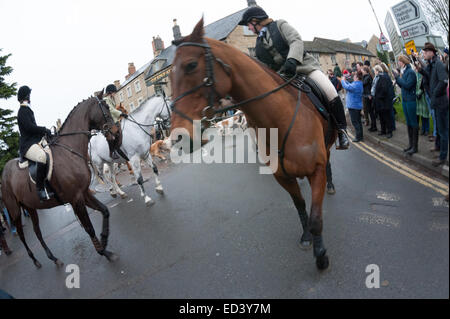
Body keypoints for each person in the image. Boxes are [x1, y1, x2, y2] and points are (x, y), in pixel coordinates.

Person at [238, 6, 349, 150]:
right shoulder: (258, 44)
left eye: (249, 25)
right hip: (283, 76)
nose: (249, 29)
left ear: (255, 21)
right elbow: (263, 66)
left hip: (304, 67)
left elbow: (296, 41)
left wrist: (292, 60)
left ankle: (341, 131)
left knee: (330, 91)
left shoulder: (280, 25)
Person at [16, 86, 54, 201]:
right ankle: (40, 189)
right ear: (26, 96)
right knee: (42, 156)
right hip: (27, 145)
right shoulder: (22, 111)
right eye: (29, 95)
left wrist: (45, 134)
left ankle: (50, 183)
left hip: (34, 141)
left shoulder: (27, 109)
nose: (30, 97)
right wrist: (44, 129)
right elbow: (29, 128)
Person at [415, 43, 449, 167]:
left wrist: (434, 93)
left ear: (431, 52)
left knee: (444, 130)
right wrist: (421, 71)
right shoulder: (432, 64)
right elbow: (430, 76)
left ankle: (443, 156)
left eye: (425, 52)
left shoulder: (439, 64)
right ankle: (438, 147)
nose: (423, 54)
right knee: (439, 128)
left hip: (441, 102)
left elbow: (444, 81)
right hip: (436, 101)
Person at [393, 55, 418, 155]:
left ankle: (415, 147)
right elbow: (402, 85)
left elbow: (407, 85)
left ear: (402, 62)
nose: (398, 63)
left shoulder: (410, 72)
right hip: (405, 100)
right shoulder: (404, 72)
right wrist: (397, 78)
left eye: (398, 61)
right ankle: (410, 145)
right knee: (408, 122)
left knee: (413, 122)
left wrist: (398, 77)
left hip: (411, 100)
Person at [103, 84, 129, 160]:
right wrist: (121, 113)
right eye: (114, 92)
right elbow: (111, 110)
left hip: (115, 119)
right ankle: (113, 150)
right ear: (110, 92)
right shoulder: (106, 100)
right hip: (109, 120)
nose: (115, 94)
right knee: (115, 133)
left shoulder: (111, 99)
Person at [341, 71, 364, 142]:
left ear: (357, 77)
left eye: (354, 76)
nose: (353, 77)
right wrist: (345, 81)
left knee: (355, 122)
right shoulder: (358, 83)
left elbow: (346, 87)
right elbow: (350, 85)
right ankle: (360, 136)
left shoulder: (357, 84)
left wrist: (342, 81)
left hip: (354, 106)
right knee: (358, 122)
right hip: (356, 106)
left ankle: (358, 137)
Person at [372, 65, 394, 138]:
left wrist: (378, 96)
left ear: (378, 71)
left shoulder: (383, 77)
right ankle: (383, 131)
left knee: (386, 117)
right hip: (379, 101)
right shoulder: (378, 77)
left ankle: (389, 132)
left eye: (374, 71)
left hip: (383, 101)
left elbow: (384, 89)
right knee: (381, 117)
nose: (374, 72)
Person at [416, 71, 430, 136]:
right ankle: (423, 129)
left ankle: (427, 129)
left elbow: (425, 85)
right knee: (421, 114)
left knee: (425, 114)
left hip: (423, 96)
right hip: (418, 98)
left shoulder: (425, 76)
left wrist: (420, 92)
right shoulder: (417, 75)